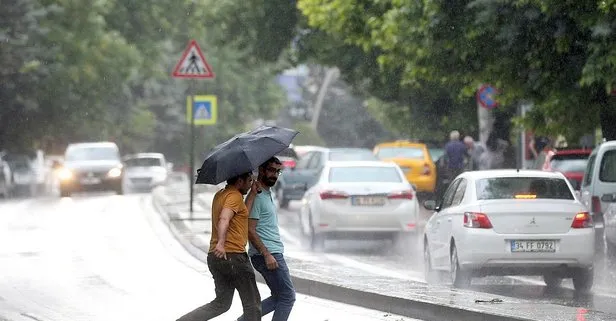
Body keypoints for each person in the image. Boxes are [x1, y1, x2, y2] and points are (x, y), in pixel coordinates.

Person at [177, 172, 262, 321]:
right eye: (249, 181)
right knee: (252, 304)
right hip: (233, 256)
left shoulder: (221, 195)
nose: (250, 184)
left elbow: (242, 213)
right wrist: (221, 244)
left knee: (221, 303)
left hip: (216, 258)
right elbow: (224, 218)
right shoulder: (234, 197)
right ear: (240, 181)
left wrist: (253, 194)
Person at [237, 157, 296, 321]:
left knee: (279, 296)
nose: (275, 175)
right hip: (268, 254)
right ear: (261, 170)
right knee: (287, 297)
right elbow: (250, 229)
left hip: (271, 252)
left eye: (278, 171)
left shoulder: (265, 193)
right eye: (271, 170)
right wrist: (267, 254)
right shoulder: (257, 197)